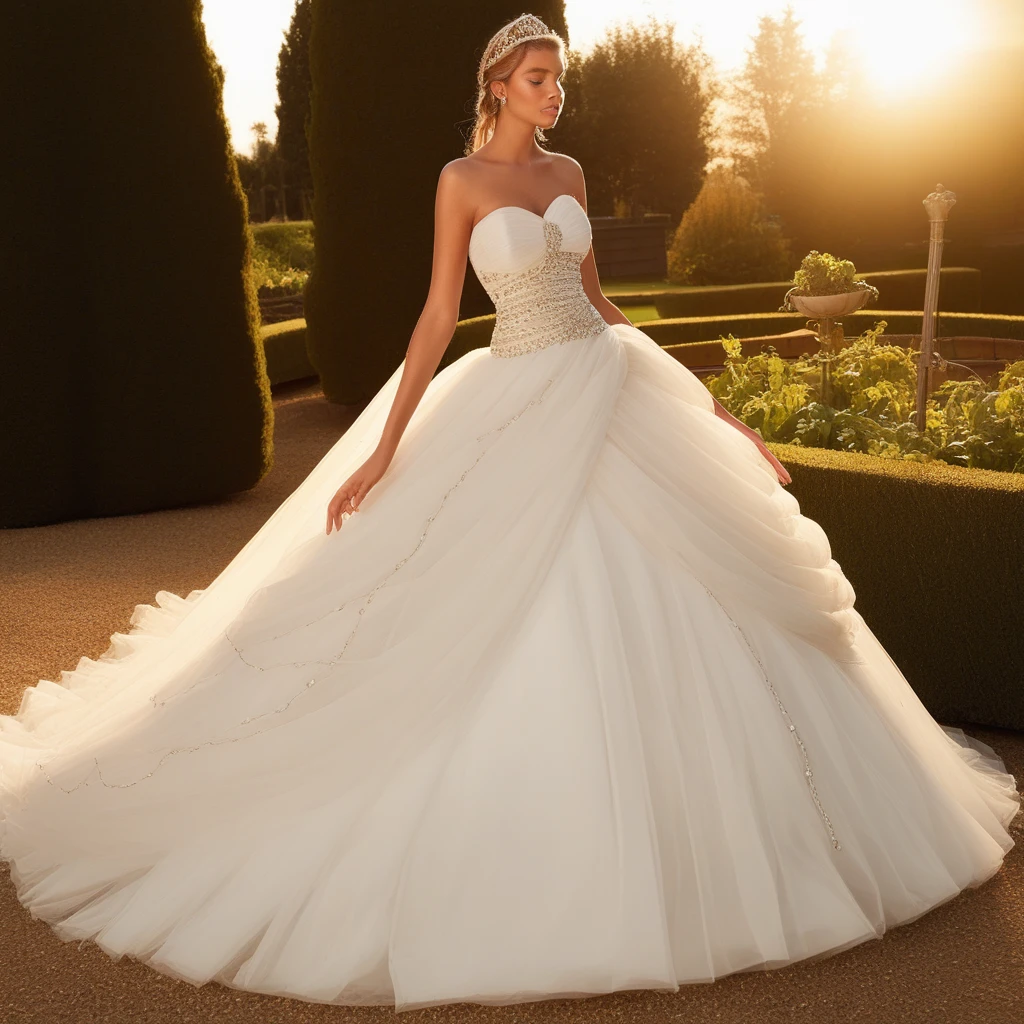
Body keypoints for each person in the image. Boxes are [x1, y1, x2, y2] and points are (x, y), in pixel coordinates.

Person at [0, 12, 1018, 1015]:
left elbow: (603, 302)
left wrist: (715, 411)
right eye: (535, 77)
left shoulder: (568, 176)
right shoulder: (461, 182)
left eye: (557, 78)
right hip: (513, 396)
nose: (552, 92)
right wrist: (386, 450)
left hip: (608, 386)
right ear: (495, 86)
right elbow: (440, 313)